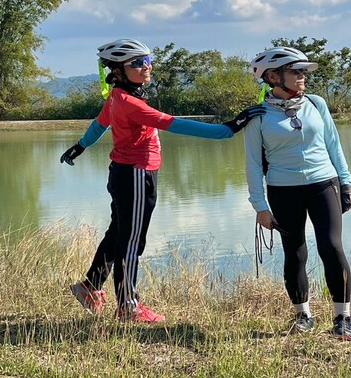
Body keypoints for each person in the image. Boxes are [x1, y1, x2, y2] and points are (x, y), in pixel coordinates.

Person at [60, 38, 264, 323]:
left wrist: (80, 146)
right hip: (136, 175)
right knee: (131, 243)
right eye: (138, 63)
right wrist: (230, 128)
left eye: (147, 61)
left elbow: (99, 125)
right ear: (118, 71)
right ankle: (129, 306)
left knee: (118, 233)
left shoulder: (117, 98)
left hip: (123, 172)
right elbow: (174, 124)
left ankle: (90, 287)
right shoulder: (129, 102)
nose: (147, 67)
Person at [244, 46, 351, 339]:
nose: (302, 77)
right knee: (295, 253)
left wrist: (346, 183)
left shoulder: (316, 104)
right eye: (296, 72)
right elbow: (253, 164)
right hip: (283, 190)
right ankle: (302, 315)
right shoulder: (257, 116)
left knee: (332, 247)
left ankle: (343, 317)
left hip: (325, 184)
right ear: (273, 76)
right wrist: (260, 206)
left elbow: (334, 145)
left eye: (303, 72)